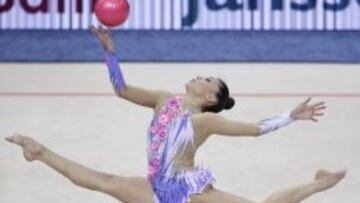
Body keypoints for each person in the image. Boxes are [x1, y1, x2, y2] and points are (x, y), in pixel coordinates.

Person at [5, 26, 346, 203]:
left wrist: (291, 115)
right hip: (156, 188)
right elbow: (122, 90)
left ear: (210, 97)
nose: (200, 76)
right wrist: (110, 53)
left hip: (188, 193)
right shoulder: (163, 100)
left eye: (207, 79)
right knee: (102, 181)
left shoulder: (205, 121)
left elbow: (255, 129)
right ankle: (39, 151)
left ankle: (319, 183)